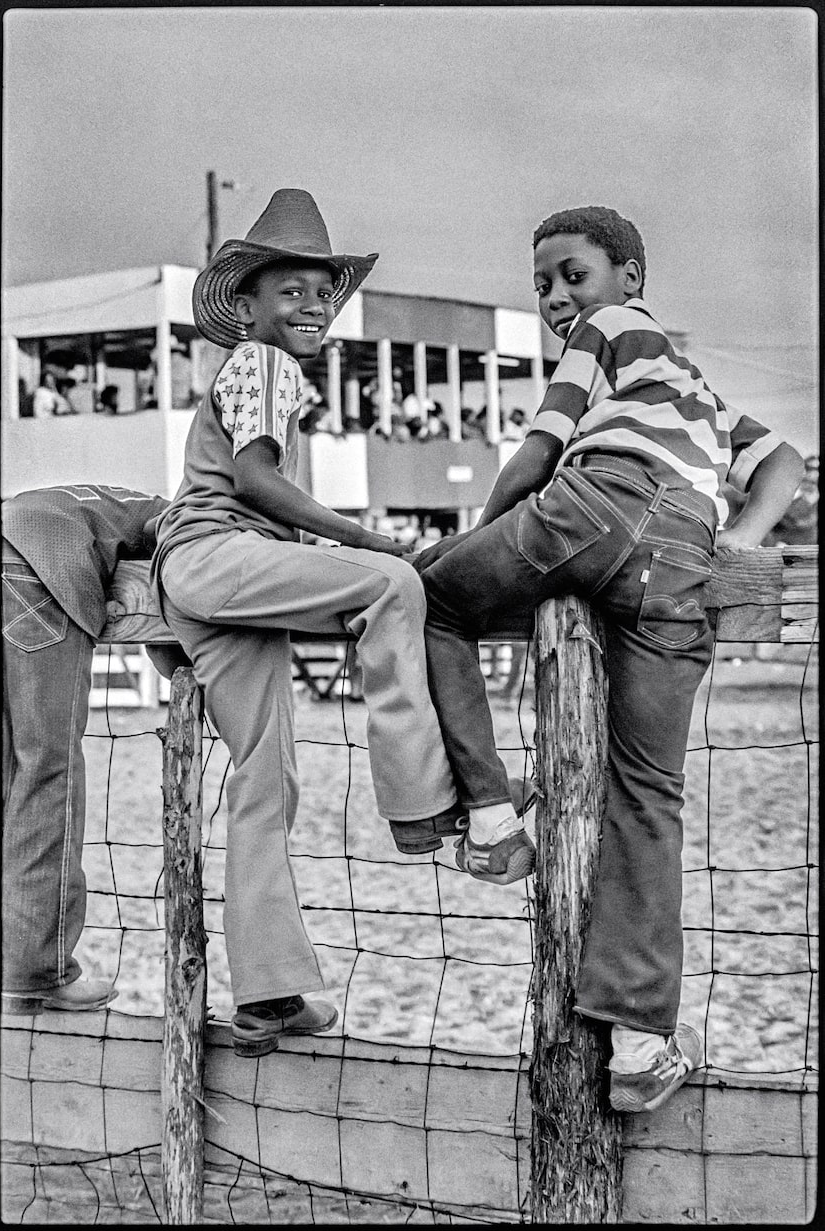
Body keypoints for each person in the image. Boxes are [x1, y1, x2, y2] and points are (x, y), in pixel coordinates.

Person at [414, 205, 804, 1114]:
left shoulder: (606, 333)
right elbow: (781, 457)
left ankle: (491, 817)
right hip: (683, 557)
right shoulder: (699, 391)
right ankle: (637, 1043)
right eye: (543, 283)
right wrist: (738, 539)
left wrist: (487, 541)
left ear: (630, 277)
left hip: (600, 505)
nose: (556, 297)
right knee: (648, 790)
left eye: (571, 274)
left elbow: (540, 451)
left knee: (433, 599)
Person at [149, 189, 532, 1059]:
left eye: (323, 292)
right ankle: (426, 808)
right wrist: (363, 536)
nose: (313, 306)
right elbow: (252, 481)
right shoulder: (263, 365)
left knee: (264, 779)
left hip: (203, 576)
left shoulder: (261, 372)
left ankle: (270, 992)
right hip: (219, 554)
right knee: (394, 584)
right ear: (245, 307)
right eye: (292, 291)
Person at [1, 484, 185, 1015]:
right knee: (47, 768)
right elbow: (175, 597)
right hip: (40, 570)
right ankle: (34, 972)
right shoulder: (172, 518)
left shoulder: (93, 497)